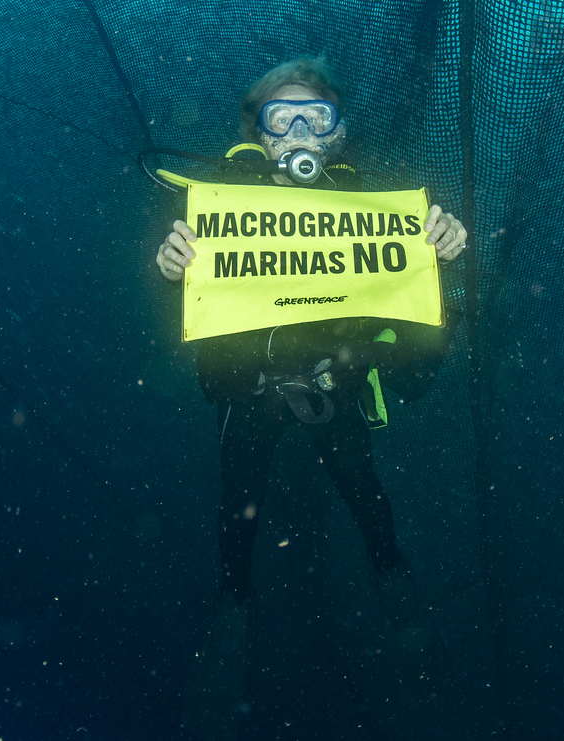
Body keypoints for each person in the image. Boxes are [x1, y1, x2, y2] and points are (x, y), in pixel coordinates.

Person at [155, 57, 467, 739]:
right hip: (252, 393)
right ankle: (231, 615)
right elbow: (186, 329)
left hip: (337, 384)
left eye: (314, 117)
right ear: (262, 136)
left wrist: (442, 262)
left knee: (369, 500)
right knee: (237, 517)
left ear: (335, 134)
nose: (298, 130)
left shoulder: (370, 206)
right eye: (281, 117)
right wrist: (171, 267)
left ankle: (400, 598)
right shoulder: (219, 209)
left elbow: (417, 362)